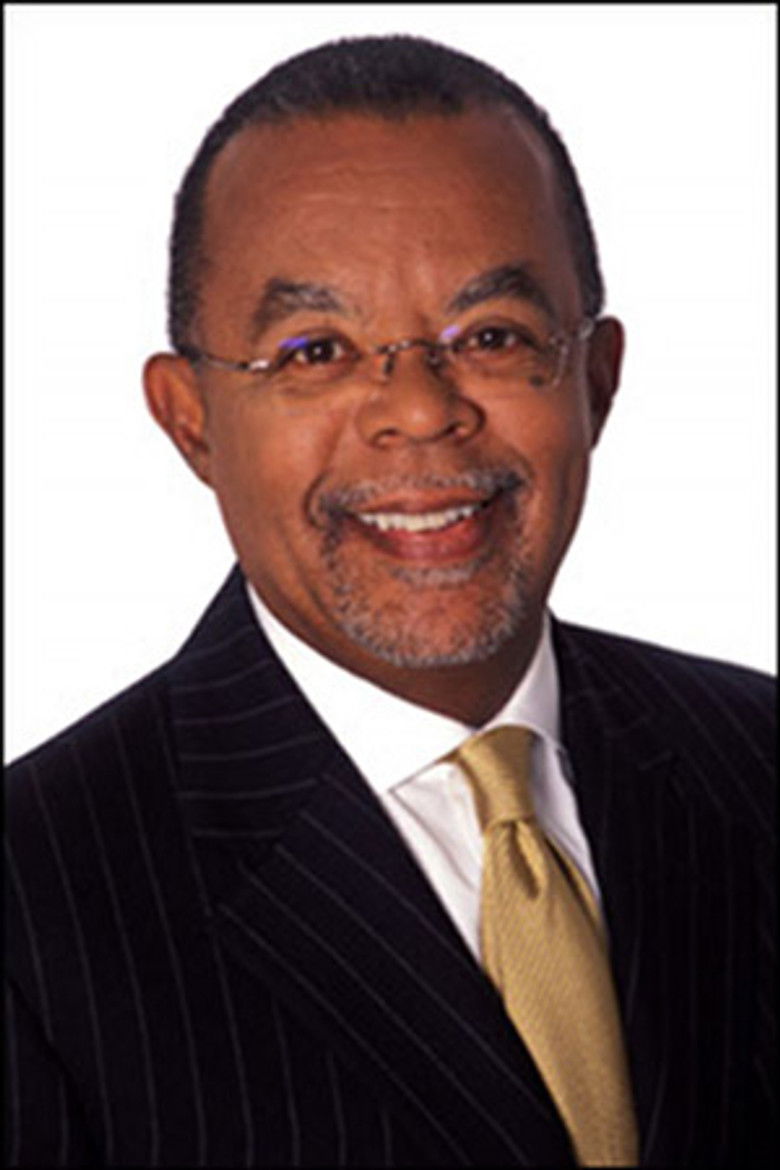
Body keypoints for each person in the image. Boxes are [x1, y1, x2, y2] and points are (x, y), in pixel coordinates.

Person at [5, 34, 775, 1168]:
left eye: (493, 337)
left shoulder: (757, 762)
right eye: (315, 350)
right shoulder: (33, 909)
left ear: (597, 380)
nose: (418, 411)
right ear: (190, 421)